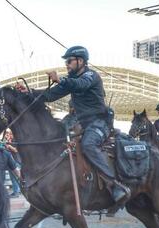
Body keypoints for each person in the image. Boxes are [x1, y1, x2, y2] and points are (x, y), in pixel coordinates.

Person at [44, 46, 130, 205]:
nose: (67, 64)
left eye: (69, 61)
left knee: (88, 144)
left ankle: (114, 185)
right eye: (66, 62)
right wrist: (27, 93)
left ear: (81, 61)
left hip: (99, 123)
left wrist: (61, 79)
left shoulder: (90, 76)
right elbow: (49, 95)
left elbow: (81, 85)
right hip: (83, 125)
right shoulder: (72, 81)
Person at [4, 129, 21, 197]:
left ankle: (16, 192)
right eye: (6, 134)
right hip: (11, 161)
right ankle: (18, 190)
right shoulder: (8, 142)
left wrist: (9, 146)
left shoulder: (15, 141)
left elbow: (16, 150)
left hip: (16, 161)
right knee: (15, 177)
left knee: (14, 178)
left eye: (9, 134)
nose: (7, 135)